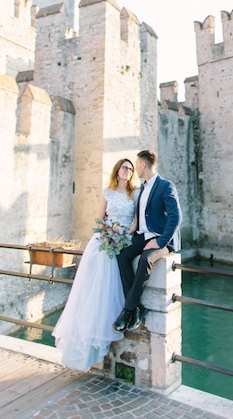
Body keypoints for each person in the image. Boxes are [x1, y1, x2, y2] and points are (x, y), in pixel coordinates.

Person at [52, 158, 139, 371]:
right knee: (93, 291)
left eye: (130, 168)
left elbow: (136, 221)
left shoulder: (134, 194)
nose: (127, 171)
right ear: (117, 170)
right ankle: (87, 348)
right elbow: (99, 219)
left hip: (123, 240)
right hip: (104, 241)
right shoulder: (107, 192)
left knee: (108, 292)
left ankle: (100, 347)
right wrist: (107, 236)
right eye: (124, 168)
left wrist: (124, 236)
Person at [113, 149, 182, 333]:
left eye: (136, 164)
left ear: (143, 165)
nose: (135, 168)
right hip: (142, 236)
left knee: (146, 259)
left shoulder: (166, 186)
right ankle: (138, 308)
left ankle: (128, 310)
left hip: (162, 241)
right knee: (122, 255)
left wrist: (160, 242)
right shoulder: (142, 188)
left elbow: (176, 217)